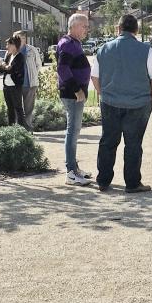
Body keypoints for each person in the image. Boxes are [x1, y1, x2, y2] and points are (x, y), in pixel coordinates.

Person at [91, 14, 152, 193]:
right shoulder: (145, 50)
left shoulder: (104, 49)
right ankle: (132, 183)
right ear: (136, 30)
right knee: (133, 144)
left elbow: (94, 77)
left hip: (110, 102)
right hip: (138, 104)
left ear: (118, 28)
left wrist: (103, 93)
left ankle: (103, 181)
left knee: (108, 141)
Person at [57, 13, 93, 186]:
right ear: (74, 26)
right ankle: (71, 172)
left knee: (75, 131)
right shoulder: (67, 44)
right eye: (84, 26)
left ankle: (74, 168)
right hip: (72, 94)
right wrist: (77, 90)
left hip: (75, 93)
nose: (87, 29)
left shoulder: (74, 43)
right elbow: (62, 69)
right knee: (72, 131)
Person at [15, 29, 40, 131]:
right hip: (15, 84)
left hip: (30, 83)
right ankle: (18, 128)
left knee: (29, 108)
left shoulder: (32, 49)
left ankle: (28, 128)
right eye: (19, 38)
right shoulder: (12, 49)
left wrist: (33, 75)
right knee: (17, 107)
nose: (22, 40)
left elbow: (38, 64)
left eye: (23, 38)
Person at [1, 36, 28, 128]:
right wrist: (5, 67)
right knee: (10, 109)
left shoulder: (20, 57)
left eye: (8, 45)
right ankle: (11, 128)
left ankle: (22, 129)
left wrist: (6, 67)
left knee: (18, 108)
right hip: (6, 86)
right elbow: (2, 69)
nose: (6, 47)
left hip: (15, 86)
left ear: (14, 45)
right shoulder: (9, 56)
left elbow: (13, 70)